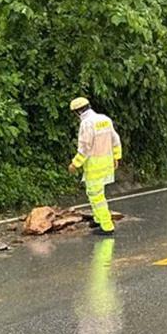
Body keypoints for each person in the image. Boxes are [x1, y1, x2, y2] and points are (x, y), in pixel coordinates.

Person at [67, 97, 122, 236]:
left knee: (97, 198)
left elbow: (85, 147)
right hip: (107, 164)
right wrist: (116, 156)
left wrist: (75, 163)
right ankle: (98, 219)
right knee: (96, 194)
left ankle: (107, 226)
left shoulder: (86, 124)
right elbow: (115, 139)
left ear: (77, 112)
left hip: (94, 167)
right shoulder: (104, 119)